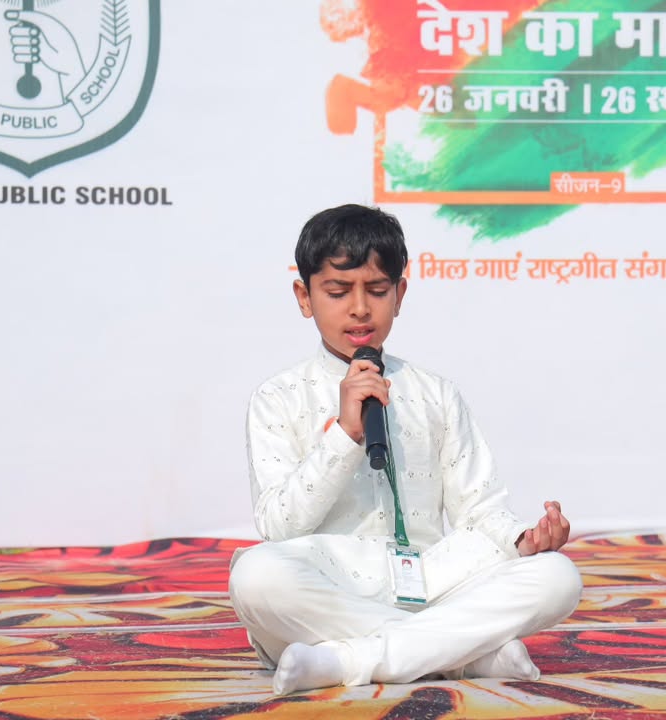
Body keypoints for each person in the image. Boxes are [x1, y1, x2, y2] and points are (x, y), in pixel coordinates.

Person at [229, 204, 581, 696]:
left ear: (400, 294)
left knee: (557, 576)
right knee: (256, 577)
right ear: (304, 297)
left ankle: (347, 658)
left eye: (377, 291)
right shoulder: (278, 397)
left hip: (432, 580)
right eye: (338, 292)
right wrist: (344, 435)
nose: (359, 309)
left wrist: (524, 538)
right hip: (332, 584)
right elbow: (279, 527)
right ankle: (462, 656)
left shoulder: (436, 393)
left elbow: (479, 511)